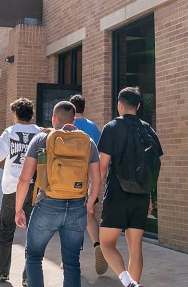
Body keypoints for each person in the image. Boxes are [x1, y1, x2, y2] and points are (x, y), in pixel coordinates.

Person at [15, 100, 100, 287]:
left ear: (53, 118)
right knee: (71, 263)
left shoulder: (41, 138)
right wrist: (89, 204)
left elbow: (24, 179)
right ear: (73, 120)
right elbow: (97, 178)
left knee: (34, 256)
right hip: (77, 205)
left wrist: (18, 208)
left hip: (48, 202)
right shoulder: (87, 142)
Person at [97, 87, 163, 287]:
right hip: (142, 195)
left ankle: (127, 282)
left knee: (106, 244)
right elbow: (155, 166)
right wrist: (151, 196)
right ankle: (133, 283)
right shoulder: (148, 129)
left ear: (119, 104)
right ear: (139, 106)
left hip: (117, 194)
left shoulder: (112, 127)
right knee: (136, 249)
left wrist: (91, 197)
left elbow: (101, 167)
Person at [0, 98, 42, 282]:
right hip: (35, 189)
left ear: (16, 115)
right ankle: (30, 277)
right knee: (33, 234)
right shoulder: (41, 133)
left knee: (5, 231)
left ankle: (1, 272)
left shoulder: (10, 132)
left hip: (13, 189)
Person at [69, 93, 105, 273]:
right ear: (85, 107)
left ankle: (71, 258)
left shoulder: (68, 126)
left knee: (70, 219)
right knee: (89, 215)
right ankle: (98, 245)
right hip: (90, 179)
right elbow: (99, 157)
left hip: (70, 179)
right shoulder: (93, 127)